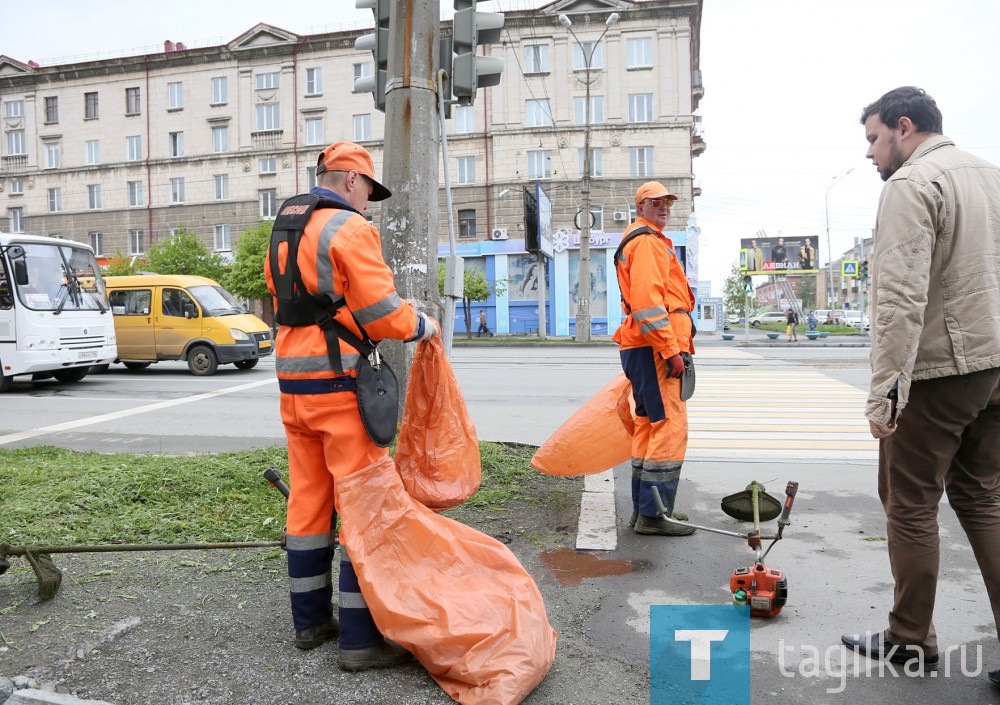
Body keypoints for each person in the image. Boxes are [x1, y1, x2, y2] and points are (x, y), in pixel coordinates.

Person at [840, 87, 1000, 685]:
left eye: (874, 139)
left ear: (903, 128)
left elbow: (900, 301)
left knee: (909, 507)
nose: (871, 154)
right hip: (994, 369)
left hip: (939, 371)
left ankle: (910, 640)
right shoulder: (991, 176)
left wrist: (885, 392)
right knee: (985, 501)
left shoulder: (910, 185)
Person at [264, 141, 439, 672]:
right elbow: (383, 312)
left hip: (294, 381)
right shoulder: (350, 228)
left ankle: (311, 624)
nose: (369, 202)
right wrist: (422, 326)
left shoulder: (287, 224)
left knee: (310, 503)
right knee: (363, 506)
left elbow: (285, 300)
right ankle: (360, 641)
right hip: (339, 384)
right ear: (348, 181)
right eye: (367, 190)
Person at [613, 181, 695, 537]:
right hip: (655, 350)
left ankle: (644, 511)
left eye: (667, 202)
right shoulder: (646, 242)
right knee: (668, 429)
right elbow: (649, 303)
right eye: (655, 202)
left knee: (649, 426)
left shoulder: (644, 240)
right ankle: (654, 516)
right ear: (640, 207)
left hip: (642, 347)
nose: (664, 207)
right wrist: (671, 350)